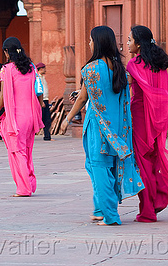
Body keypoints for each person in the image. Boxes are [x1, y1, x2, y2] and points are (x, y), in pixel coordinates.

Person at [61, 26, 144, 225]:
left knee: (97, 168)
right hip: (116, 128)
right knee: (108, 169)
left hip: (97, 128)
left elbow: (82, 98)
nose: (89, 44)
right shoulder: (119, 69)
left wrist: (67, 119)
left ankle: (111, 216)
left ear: (97, 43)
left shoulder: (91, 69)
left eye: (91, 40)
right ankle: (100, 209)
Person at [126, 25, 168, 222]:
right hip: (157, 118)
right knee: (153, 160)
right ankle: (158, 200)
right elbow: (164, 93)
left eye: (129, 40)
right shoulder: (158, 64)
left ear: (138, 43)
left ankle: (147, 211)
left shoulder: (134, 64)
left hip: (140, 117)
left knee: (142, 164)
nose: (127, 43)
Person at [0, 37, 44, 197]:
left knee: (17, 151)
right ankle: (30, 183)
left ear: (6, 52)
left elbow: (3, 96)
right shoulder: (31, 68)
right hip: (30, 115)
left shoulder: (6, 69)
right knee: (27, 151)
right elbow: (39, 90)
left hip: (16, 117)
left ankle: (23, 188)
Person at [36, 62, 53, 141]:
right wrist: (41, 101)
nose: (45, 70)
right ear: (41, 69)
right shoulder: (37, 78)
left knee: (47, 119)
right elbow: (39, 90)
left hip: (45, 99)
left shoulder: (42, 77)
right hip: (42, 100)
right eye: (44, 68)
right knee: (42, 118)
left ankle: (47, 136)